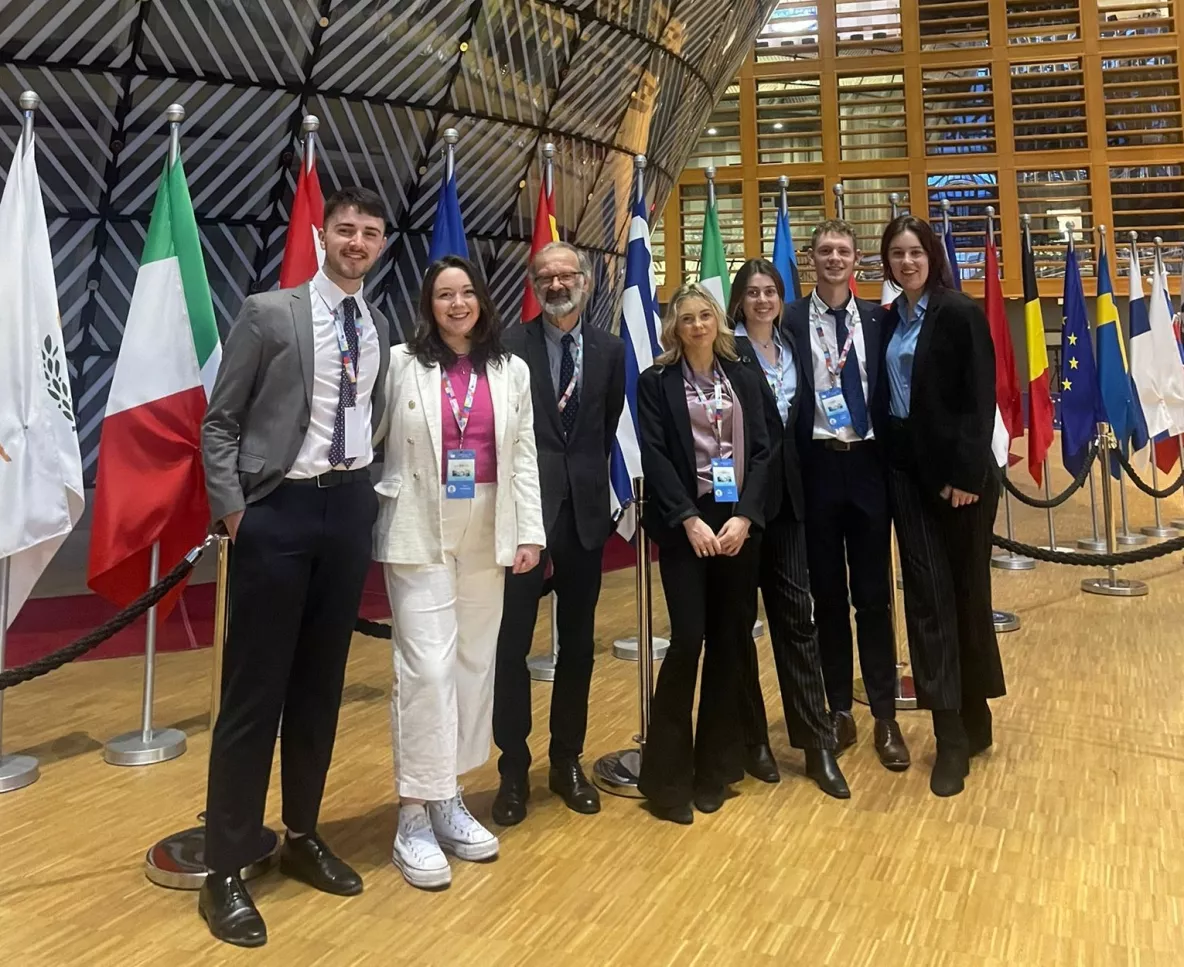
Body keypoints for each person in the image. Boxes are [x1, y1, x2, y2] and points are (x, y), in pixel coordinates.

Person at [199, 186, 390, 947]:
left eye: (370, 234)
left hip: (346, 513)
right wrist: (236, 509)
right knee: (255, 693)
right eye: (346, 229)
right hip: (276, 511)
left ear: (380, 246)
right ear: (322, 234)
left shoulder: (375, 324)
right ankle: (226, 865)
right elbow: (219, 421)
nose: (357, 243)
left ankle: (303, 832)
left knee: (320, 687)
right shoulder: (269, 312)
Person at [373, 255, 545, 888]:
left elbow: (523, 452)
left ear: (482, 301)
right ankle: (412, 815)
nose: (457, 304)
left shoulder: (511, 370)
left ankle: (448, 797)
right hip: (420, 526)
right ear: (429, 304)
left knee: (475, 664)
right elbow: (368, 437)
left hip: (489, 525)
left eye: (467, 292)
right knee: (426, 668)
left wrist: (530, 531)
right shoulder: (398, 364)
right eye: (444, 295)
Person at [491, 242, 625, 826]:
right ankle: (512, 769)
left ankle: (566, 759)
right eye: (545, 276)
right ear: (532, 284)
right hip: (523, 517)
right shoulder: (507, 346)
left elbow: (603, 423)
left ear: (586, 282)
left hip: (585, 517)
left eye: (566, 273)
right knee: (511, 650)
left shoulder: (611, 349)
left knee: (578, 647)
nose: (556, 283)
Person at [873, 214, 1005, 797]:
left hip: (960, 481)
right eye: (897, 254)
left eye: (916, 252)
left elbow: (982, 398)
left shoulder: (958, 313)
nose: (907, 262)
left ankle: (974, 717)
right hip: (906, 475)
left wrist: (967, 474)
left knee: (966, 594)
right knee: (928, 601)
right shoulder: (886, 320)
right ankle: (952, 734)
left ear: (933, 255)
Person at [636, 283, 771, 824]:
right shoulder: (656, 382)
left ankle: (715, 768)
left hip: (738, 524)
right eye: (686, 318)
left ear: (718, 321)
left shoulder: (742, 376)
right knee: (689, 638)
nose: (697, 325)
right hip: (685, 525)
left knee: (730, 641)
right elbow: (655, 454)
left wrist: (746, 517)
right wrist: (687, 519)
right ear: (674, 327)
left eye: (704, 316)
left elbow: (765, 448)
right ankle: (667, 778)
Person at [783, 220, 910, 771]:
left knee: (874, 597)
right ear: (810, 260)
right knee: (827, 598)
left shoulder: (880, 320)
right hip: (815, 467)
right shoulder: (787, 320)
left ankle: (884, 713)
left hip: (867, 468)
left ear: (857, 261)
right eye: (824, 251)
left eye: (843, 251)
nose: (834, 259)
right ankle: (838, 709)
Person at [727, 259, 848, 799]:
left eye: (770, 291)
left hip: (792, 506)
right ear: (739, 300)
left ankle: (816, 743)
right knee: (737, 629)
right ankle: (754, 740)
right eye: (751, 292)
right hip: (739, 510)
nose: (761, 300)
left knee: (798, 621)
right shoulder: (726, 356)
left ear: (782, 298)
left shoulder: (796, 350)